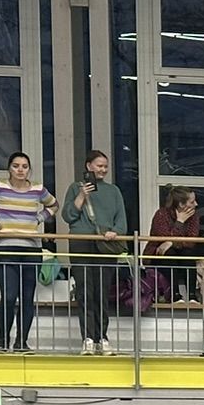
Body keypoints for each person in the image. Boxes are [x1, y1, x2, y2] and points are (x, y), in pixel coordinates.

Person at [61, 150, 127, 355]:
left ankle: (102, 337)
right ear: (88, 166)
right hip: (81, 242)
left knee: (102, 291)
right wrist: (82, 195)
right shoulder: (75, 188)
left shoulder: (113, 191)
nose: (103, 170)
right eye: (99, 165)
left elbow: (121, 221)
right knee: (85, 291)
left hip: (105, 244)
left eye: (105, 166)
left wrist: (114, 232)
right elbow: (68, 215)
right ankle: (88, 338)